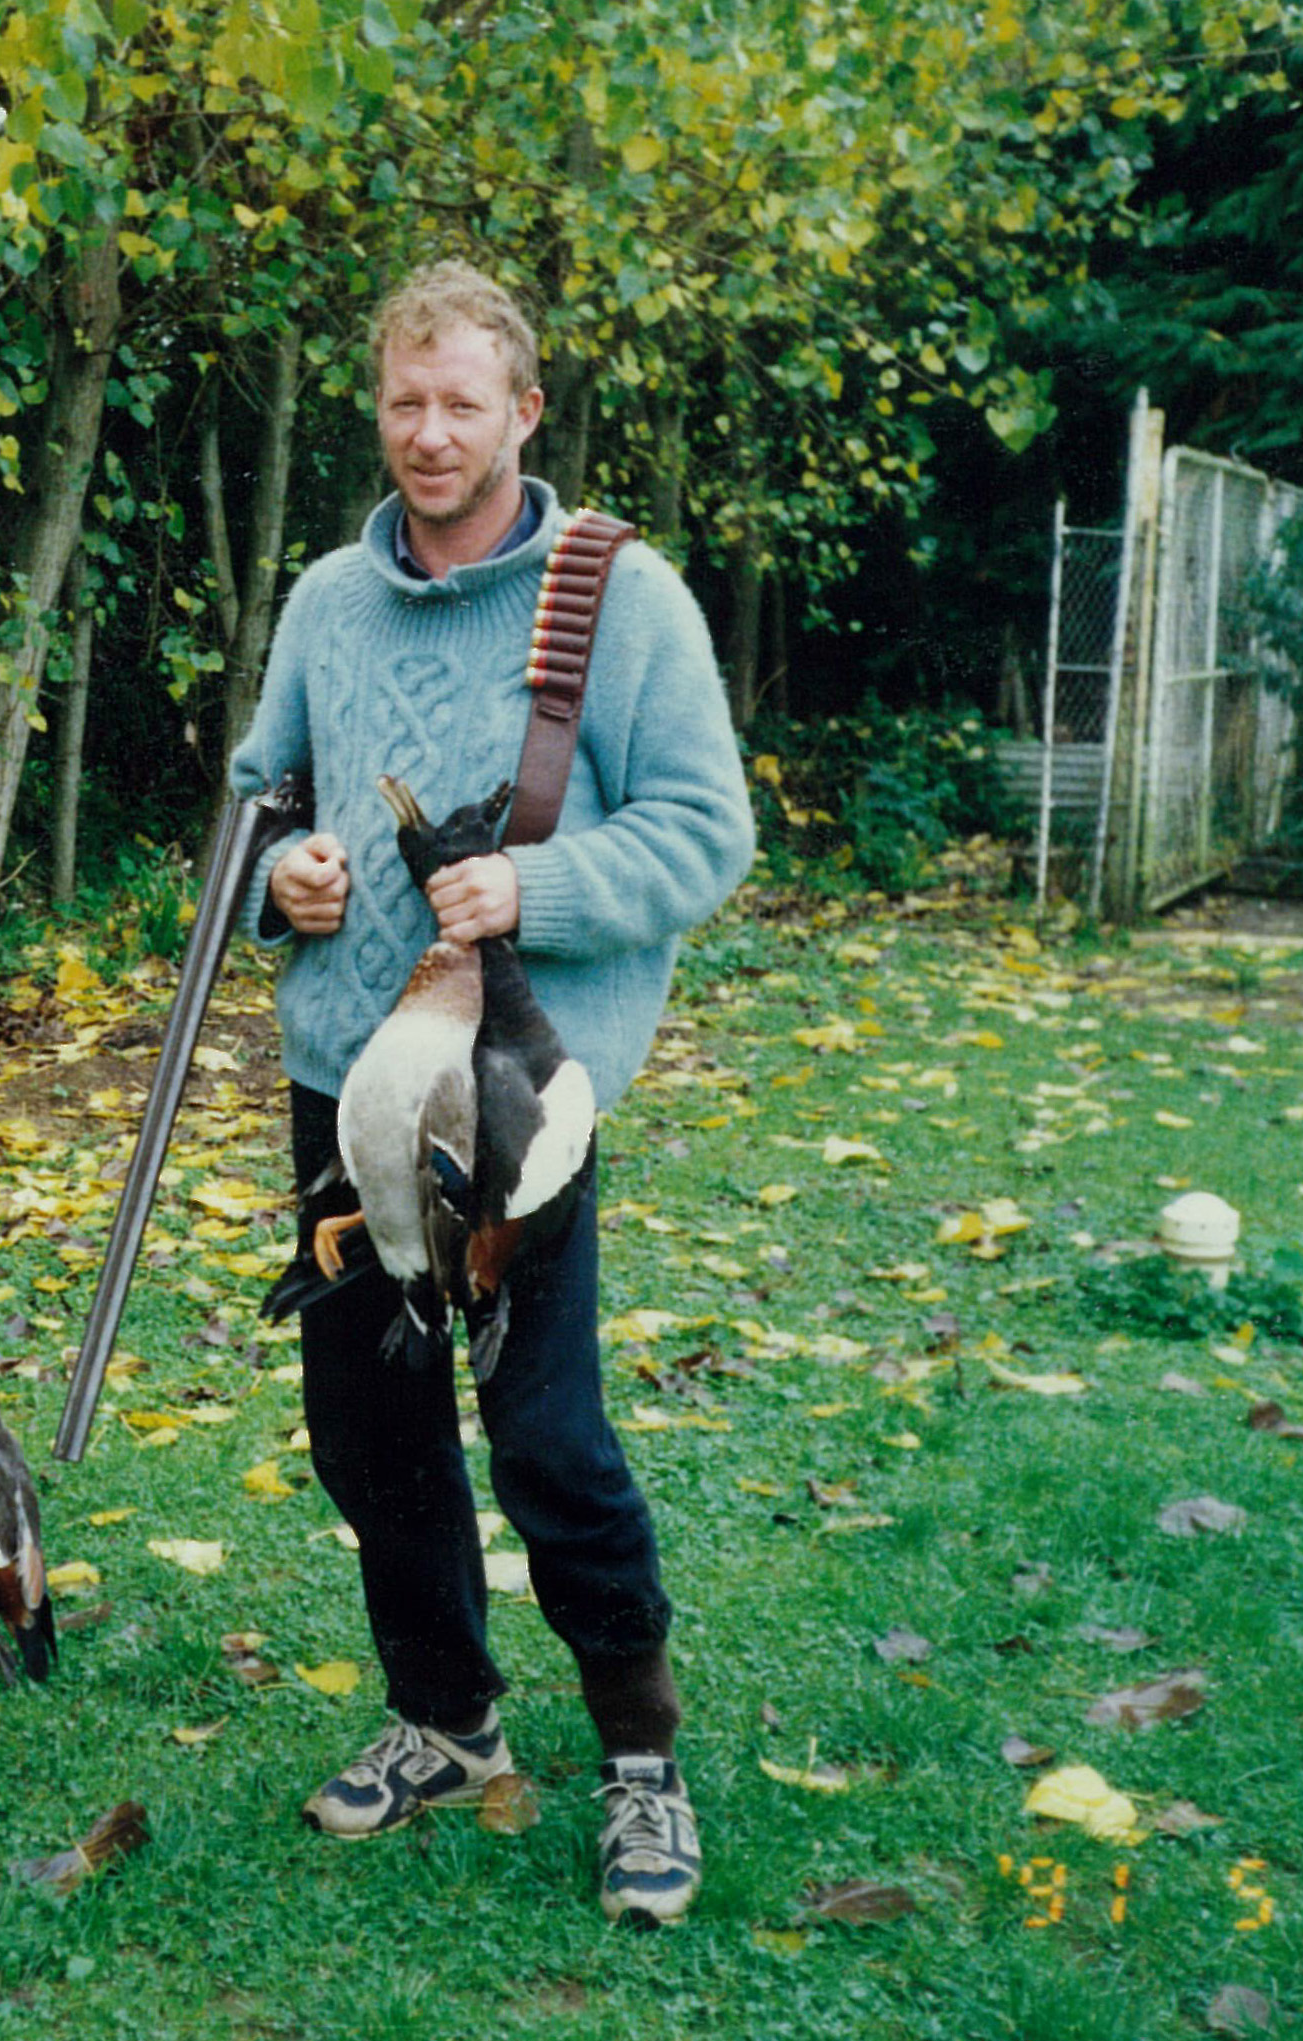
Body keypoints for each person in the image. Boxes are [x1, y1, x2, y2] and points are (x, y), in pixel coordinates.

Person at [227, 260, 756, 1925]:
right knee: (365, 1427)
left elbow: (703, 831)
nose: (430, 432)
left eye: (464, 401)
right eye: (404, 401)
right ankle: (443, 1718)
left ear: (523, 411)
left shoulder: (620, 596)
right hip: (347, 1089)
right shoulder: (326, 599)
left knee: (544, 1434)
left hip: (525, 1101)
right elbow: (258, 799)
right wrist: (283, 878)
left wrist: (541, 891)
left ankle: (642, 1767)